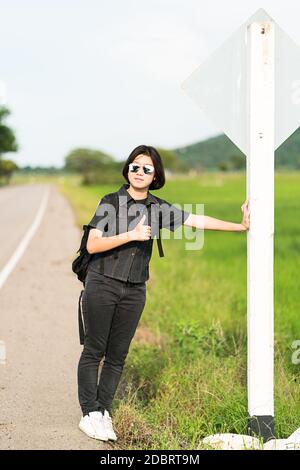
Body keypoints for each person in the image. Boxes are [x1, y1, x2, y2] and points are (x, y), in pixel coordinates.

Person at [77, 144, 250, 442]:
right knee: (95, 350)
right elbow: (93, 244)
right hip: (102, 282)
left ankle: (103, 410)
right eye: (135, 166)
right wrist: (130, 235)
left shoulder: (158, 209)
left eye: (146, 168)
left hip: (134, 290)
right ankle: (89, 413)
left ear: (155, 175)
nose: (139, 172)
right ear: (127, 170)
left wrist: (241, 226)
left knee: (118, 355)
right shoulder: (110, 202)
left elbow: (196, 221)